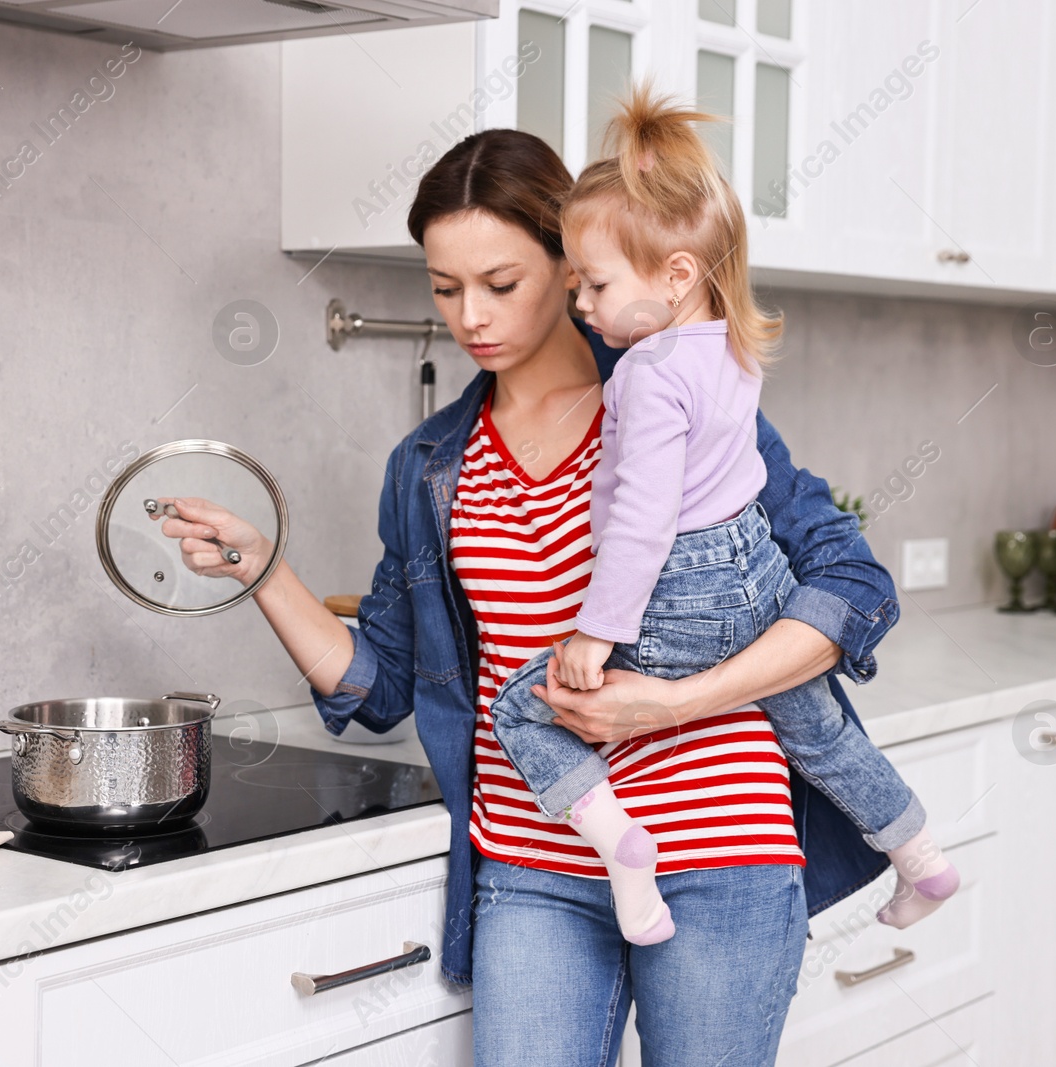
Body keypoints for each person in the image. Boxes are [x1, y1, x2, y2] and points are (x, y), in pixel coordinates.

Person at [153, 119, 902, 1067]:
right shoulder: (430, 465)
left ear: (571, 262)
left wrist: (670, 703)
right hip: (534, 863)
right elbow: (379, 686)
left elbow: (851, 586)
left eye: (501, 284)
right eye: (444, 288)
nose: (471, 316)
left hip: (722, 847)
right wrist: (264, 569)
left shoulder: (674, 398)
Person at [484, 85, 956, 950]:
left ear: (675, 275)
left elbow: (643, 521)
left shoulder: (646, 374)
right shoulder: (731, 348)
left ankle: (625, 851)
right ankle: (920, 854)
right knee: (818, 731)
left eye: (592, 283)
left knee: (525, 707)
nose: (580, 304)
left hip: (684, 591)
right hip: (760, 577)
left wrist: (597, 631)